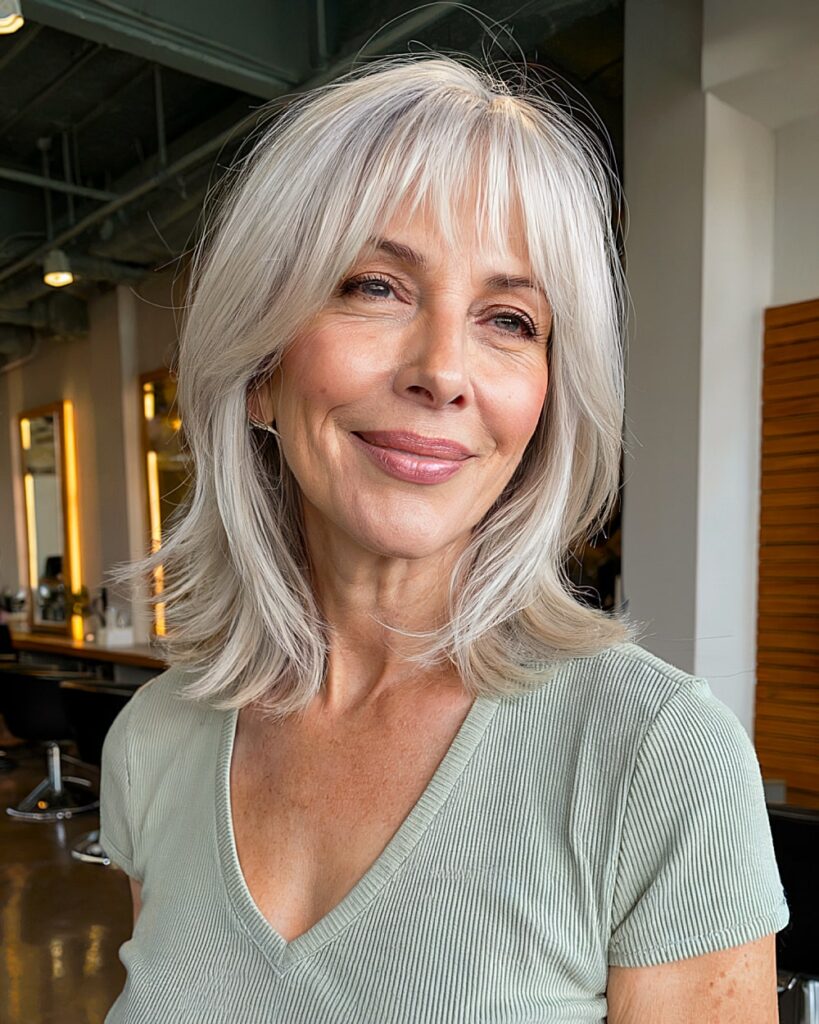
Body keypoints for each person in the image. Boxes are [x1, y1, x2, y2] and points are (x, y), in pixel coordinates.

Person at [100, 53, 789, 1023]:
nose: (443, 370)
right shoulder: (151, 747)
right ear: (261, 368)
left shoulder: (659, 761)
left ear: (546, 403)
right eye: (375, 287)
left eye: (509, 318)